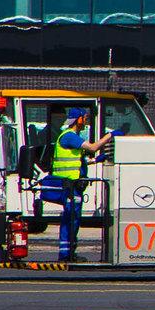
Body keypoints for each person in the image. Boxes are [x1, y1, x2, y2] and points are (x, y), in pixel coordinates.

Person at [41, 109, 114, 261]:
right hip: (69, 186)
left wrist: (95, 160)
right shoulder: (69, 136)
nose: (86, 122)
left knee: (73, 220)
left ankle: (69, 252)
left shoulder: (71, 137)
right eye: (85, 118)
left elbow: (78, 160)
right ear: (78, 120)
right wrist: (110, 136)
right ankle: (66, 254)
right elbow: (93, 147)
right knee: (70, 220)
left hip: (73, 186)